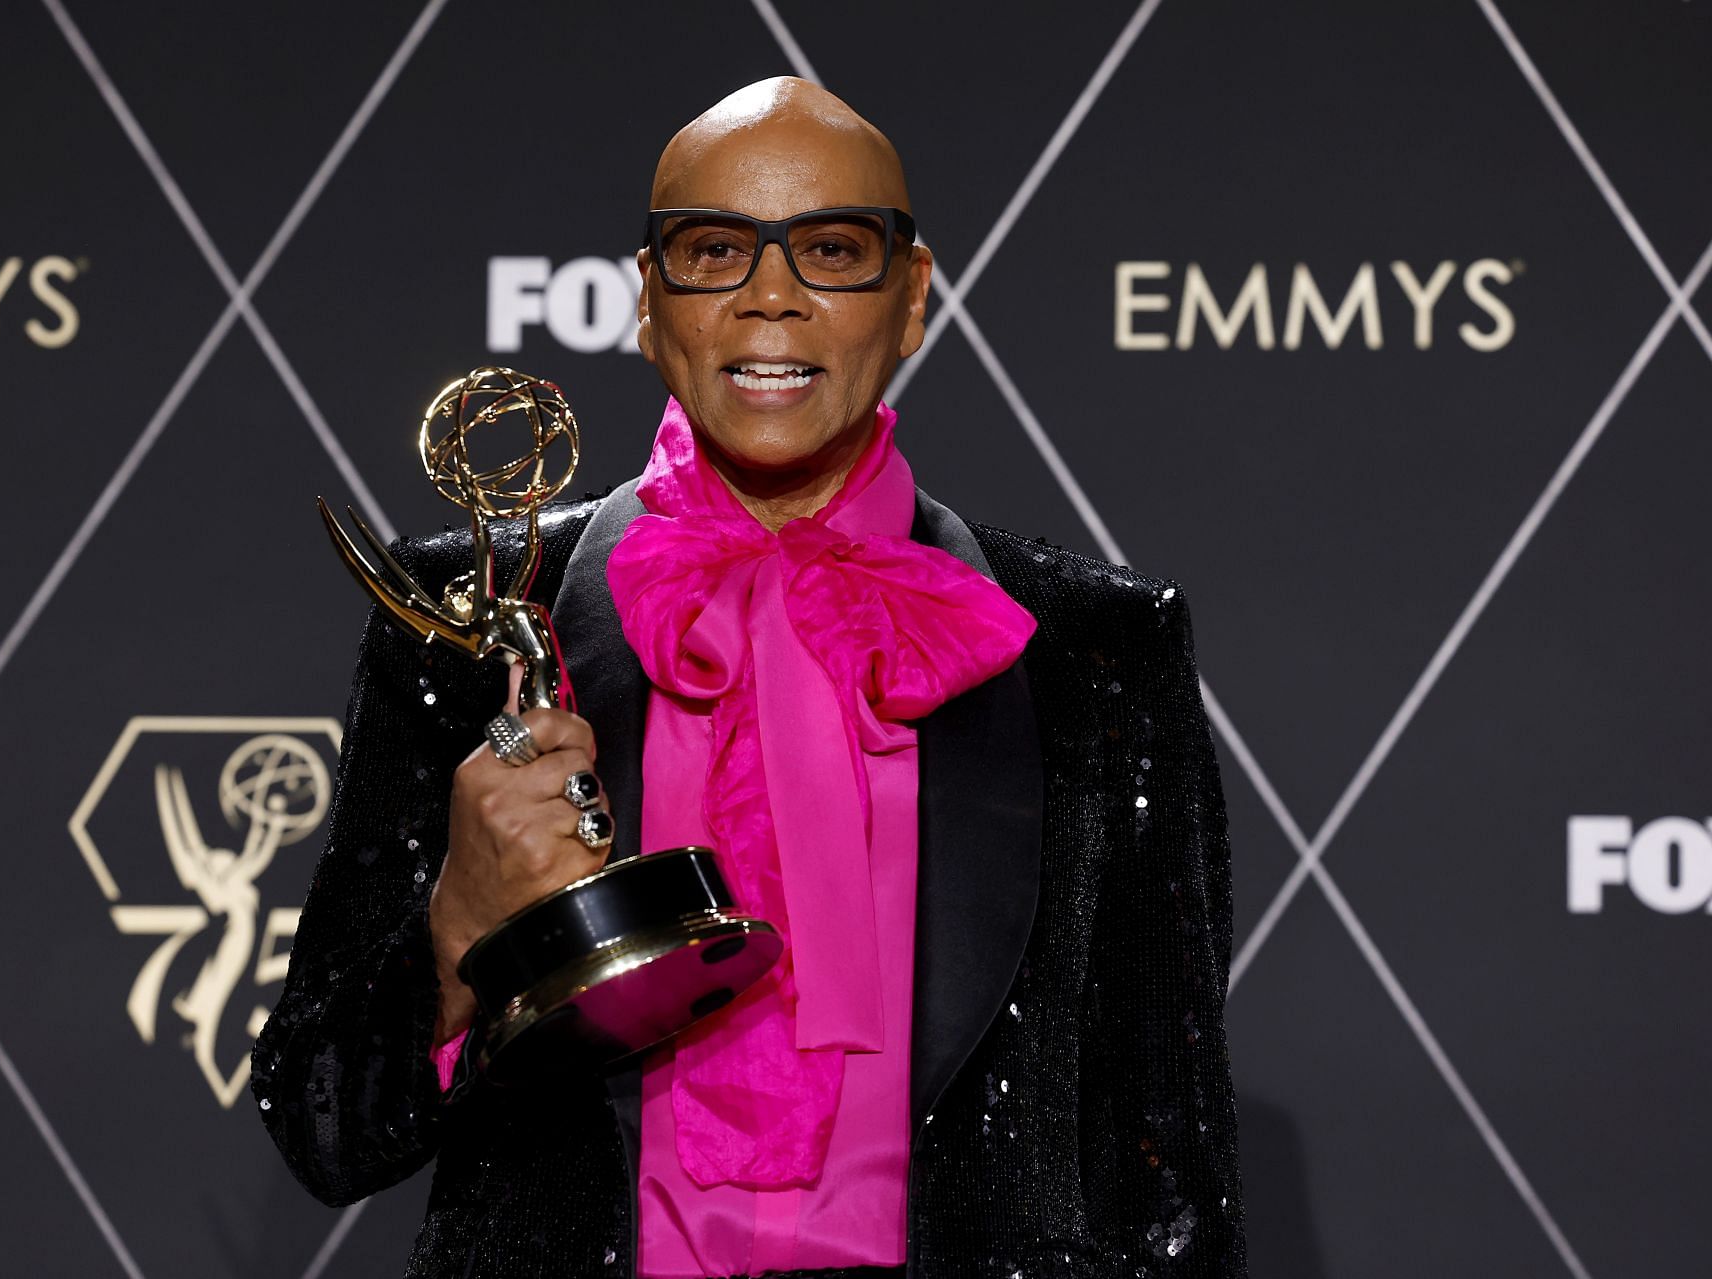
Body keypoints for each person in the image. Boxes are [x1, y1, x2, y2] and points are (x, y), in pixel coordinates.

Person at [252, 77, 1246, 1278]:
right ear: (648, 301)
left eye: (831, 249)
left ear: (913, 297)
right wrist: (463, 919)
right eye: (715, 249)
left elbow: (1169, 1180)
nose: (771, 295)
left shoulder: (1098, 649)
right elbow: (326, 1128)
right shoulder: (476, 628)